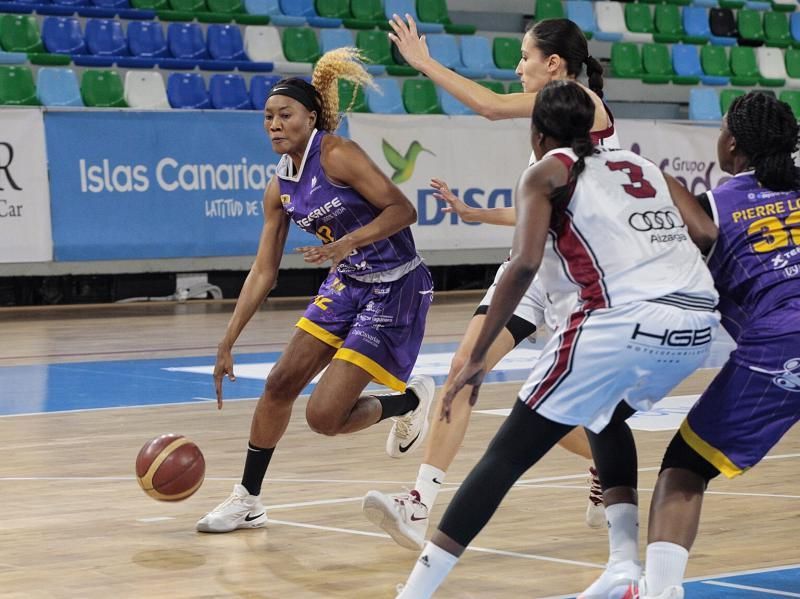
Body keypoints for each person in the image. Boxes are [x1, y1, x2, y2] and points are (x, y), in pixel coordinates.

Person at [393, 80, 720, 599]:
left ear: (538, 131)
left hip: (621, 325)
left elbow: (523, 263)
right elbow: (705, 234)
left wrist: (479, 355)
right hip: (697, 326)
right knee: (605, 416)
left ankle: (413, 593)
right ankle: (623, 569)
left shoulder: (546, 170)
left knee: (505, 456)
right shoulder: (643, 166)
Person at [361, 16, 618, 551]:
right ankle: (418, 504)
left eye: (524, 57)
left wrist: (424, 62)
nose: (516, 67)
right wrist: (476, 213)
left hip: (579, 280)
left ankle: (607, 463)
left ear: (554, 63)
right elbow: (539, 209)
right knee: (463, 368)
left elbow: (489, 105)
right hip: (529, 272)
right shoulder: (550, 123)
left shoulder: (583, 105)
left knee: (545, 405)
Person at [196, 48, 436, 534]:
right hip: (346, 284)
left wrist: (348, 241)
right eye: (268, 117)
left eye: (285, 115)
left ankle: (408, 402)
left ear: (311, 116)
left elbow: (402, 210)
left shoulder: (338, 154)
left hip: (395, 286)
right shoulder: (278, 187)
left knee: (324, 417)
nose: (274, 124)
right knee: (279, 384)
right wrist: (227, 340)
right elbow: (263, 271)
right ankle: (247, 499)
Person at [601, 92, 800, 599]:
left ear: (731, 142)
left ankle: (662, 591)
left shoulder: (713, 208)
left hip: (783, 341)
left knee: (685, 468)